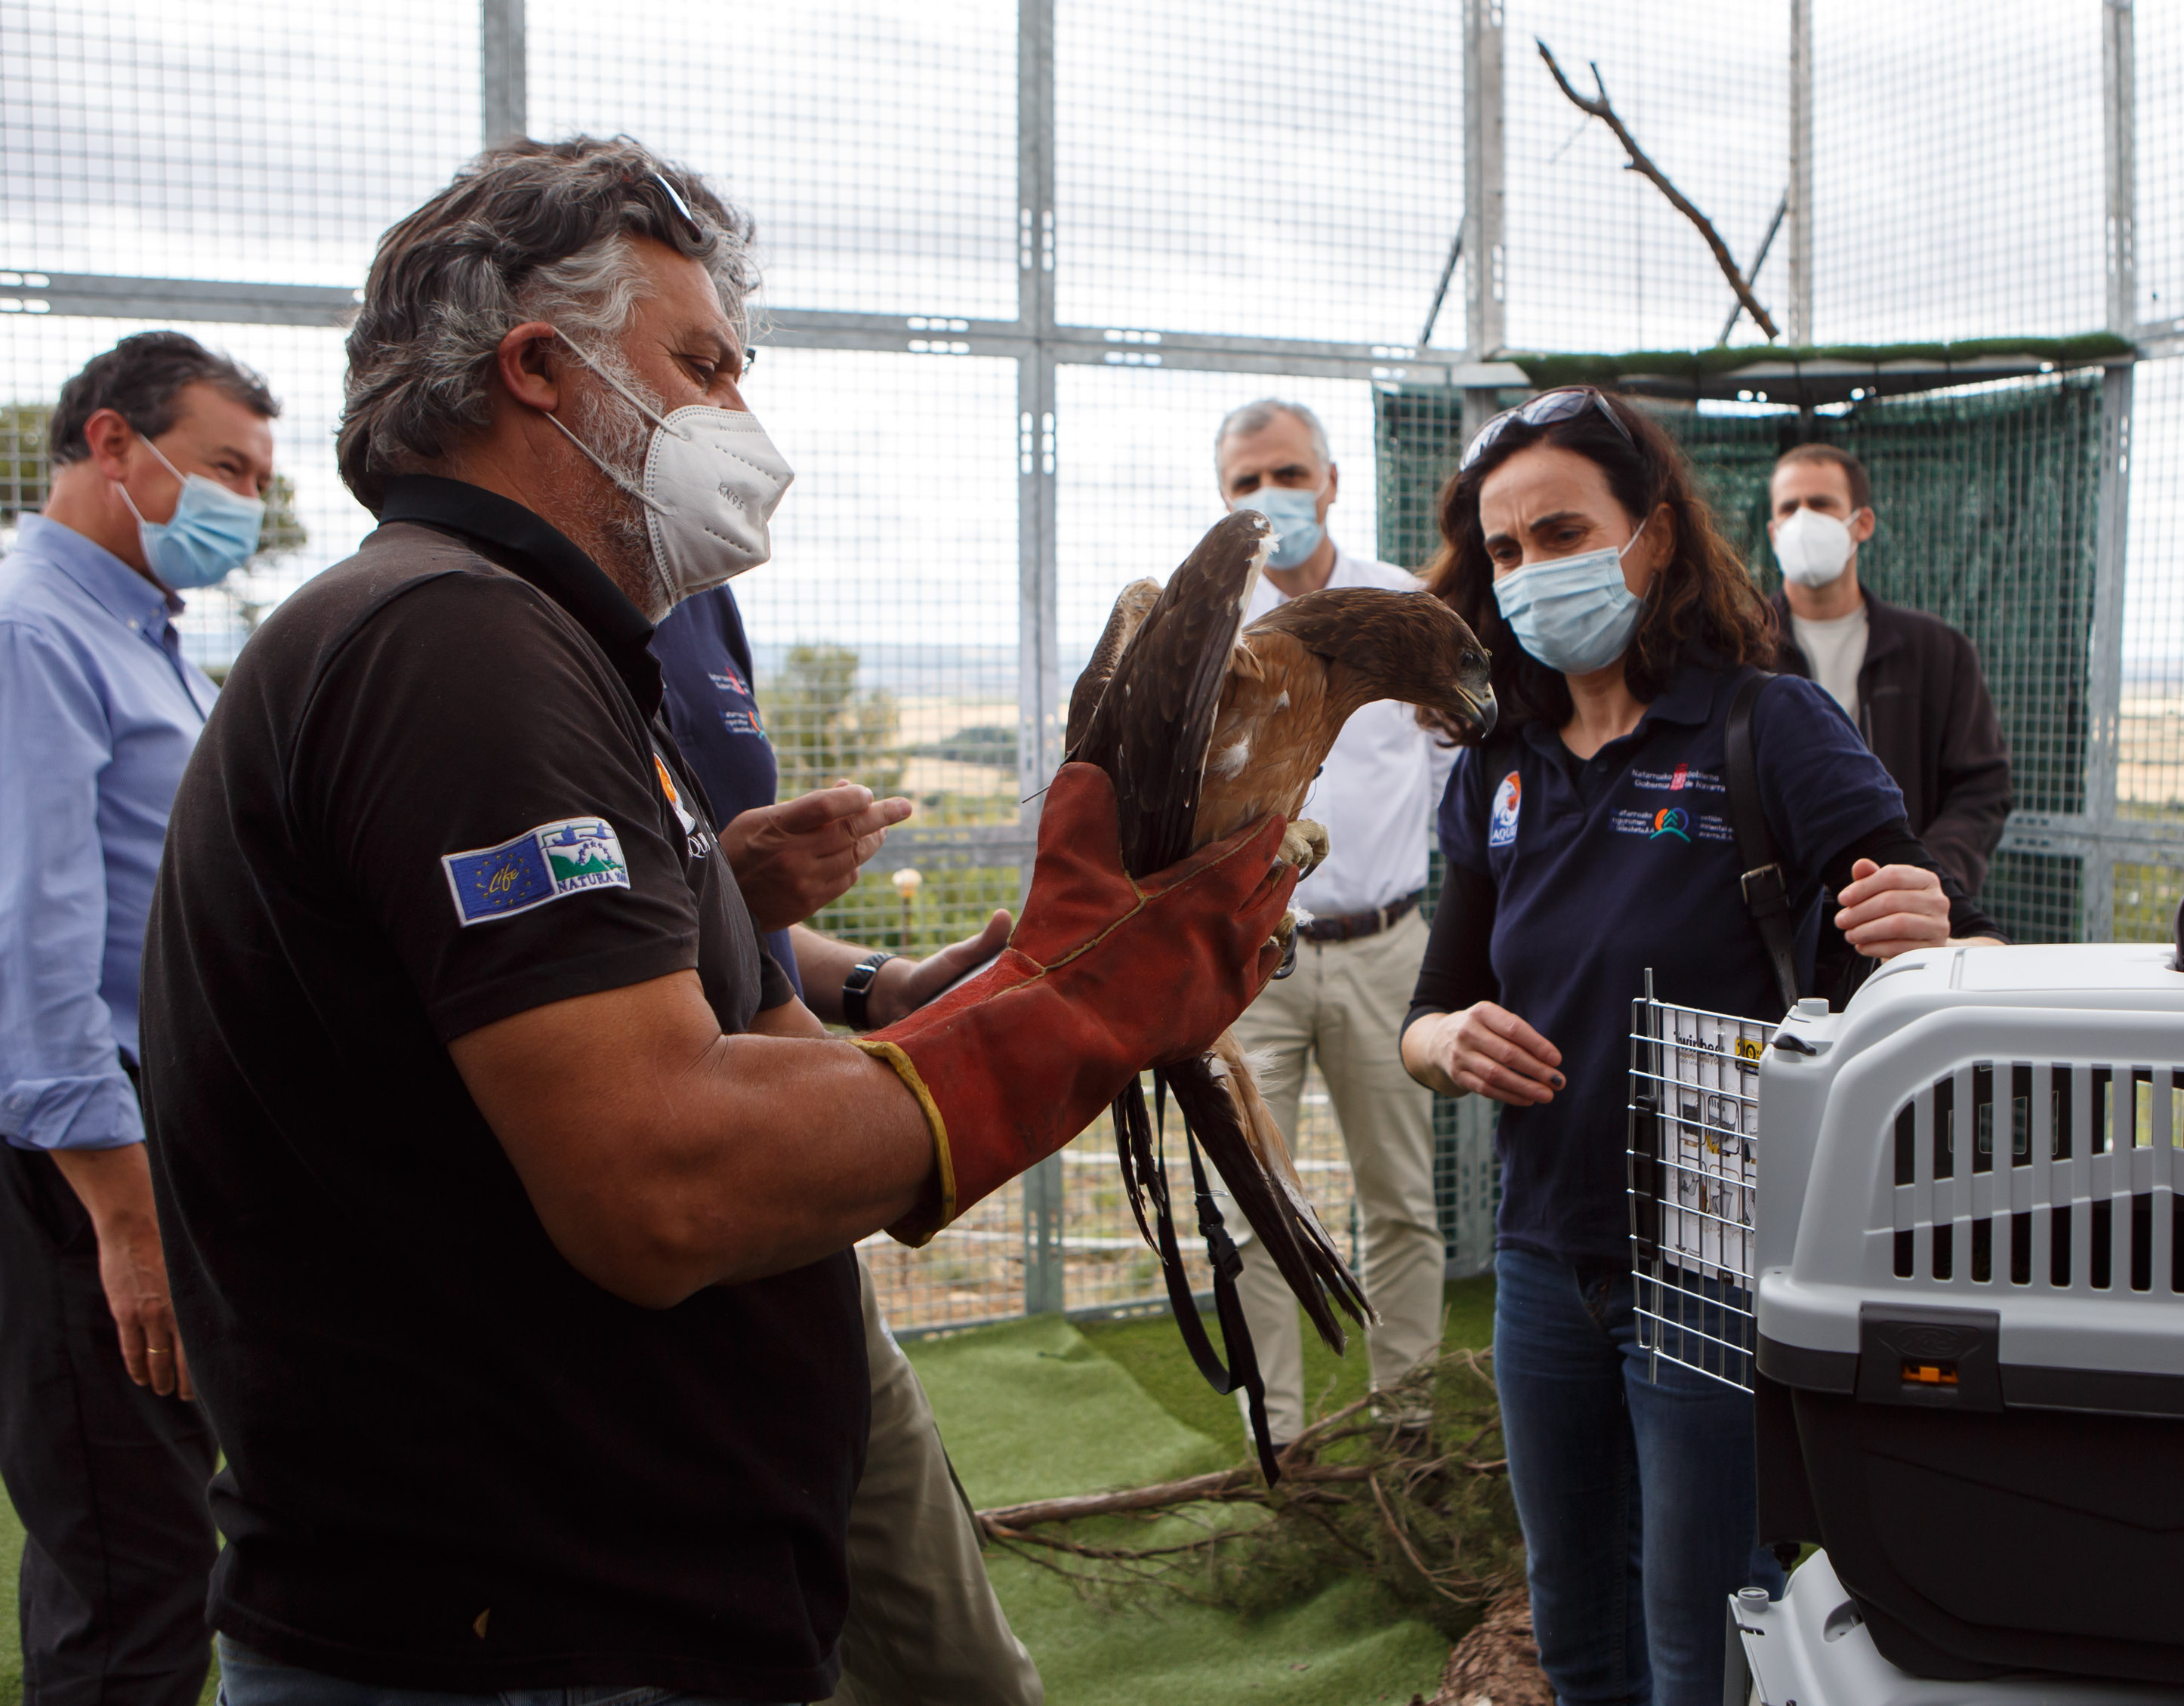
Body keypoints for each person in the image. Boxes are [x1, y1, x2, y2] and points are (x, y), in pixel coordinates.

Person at [137, 136, 1297, 1706]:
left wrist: (1005, 991)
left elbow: (767, 1046)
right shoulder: (450, 647)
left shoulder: (553, 648)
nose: (744, 417)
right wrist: (1084, 1006)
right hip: (515, 1638)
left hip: (621, 1604)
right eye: (702, 366)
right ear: (539, 369)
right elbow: (661, 1177)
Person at [1397, 389, 2000, 1706]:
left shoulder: (1763, 723)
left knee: (1698, 1619)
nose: (1529, 571)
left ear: (1653, 535)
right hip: (1541, 1248)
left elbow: (1910, 935)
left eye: (1562, 532)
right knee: (1571, 1614)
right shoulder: (1497, 767)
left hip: (1715, 1247)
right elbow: (1429, 1007)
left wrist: (1925, 922)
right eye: (1504, 550)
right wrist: (1447, 1041)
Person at [649, 586, 1039, 1706]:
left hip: (794, 1207)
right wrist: (716, 886)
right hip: (671, 1199)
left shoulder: (700, 603)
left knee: (956, 1659)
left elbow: (745, 926)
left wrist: (879, 985)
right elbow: (603, 927)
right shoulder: (496, 633)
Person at [0, 332, 278, 1706]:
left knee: (163, 1543)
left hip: (149, 1140)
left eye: (258, 481)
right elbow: (35, 941)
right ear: (112, 442)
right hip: (83, 1169)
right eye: (225, 468)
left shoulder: (138, 637)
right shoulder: (33, 634)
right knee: (133, 1572)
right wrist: (121, 1215)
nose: (244, 506)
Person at [1210, 396, 1451, 1448]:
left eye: (1288, 474)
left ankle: (1410, 1435)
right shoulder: (1210, 630)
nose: (1271, 497)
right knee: (1254, 1208)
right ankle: (1280, 1447)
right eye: (1247, 483)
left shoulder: (1405, 612)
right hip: (1248, 959)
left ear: (1332, 481)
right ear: (1224, 501)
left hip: (1386, 951)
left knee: (1398, 1201)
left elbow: (1453, 770)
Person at [1766, 441, 2013, 898]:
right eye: (1789, 508)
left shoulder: (1937, 651)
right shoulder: (1738, 651)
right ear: (1773, 532)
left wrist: (1927, 880)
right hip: (1774, 921)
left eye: (1820, 505)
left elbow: (1981, 788)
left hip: (1900, 916)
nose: (1803, 521)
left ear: (1862, 523)